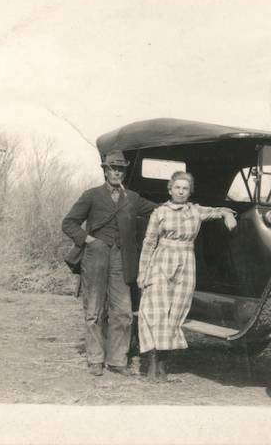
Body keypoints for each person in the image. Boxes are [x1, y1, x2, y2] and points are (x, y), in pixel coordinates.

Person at [62, 150, 157, 377]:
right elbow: (69, 223)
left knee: (123, 311)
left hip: (122, 259)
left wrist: (193, 207)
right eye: (112, 169)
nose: (116, 173)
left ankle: (117, 360)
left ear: (125, 172)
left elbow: (159, 209)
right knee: (93, 309)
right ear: (104, 170)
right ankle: (95, 359)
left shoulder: (132, 198)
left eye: (121, 169)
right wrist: (88, 240)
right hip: (95, 255)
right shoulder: (91, 195)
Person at [137, 171, 237, 382]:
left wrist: (227, 216)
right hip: (162, 261)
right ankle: (151, 368)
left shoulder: (196, 211)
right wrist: (142, 272)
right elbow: (148, 243)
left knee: (175, 314)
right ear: (170, 189)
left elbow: (221, 210)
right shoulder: (160, 212)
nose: (181, 192)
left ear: (189, 191)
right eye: (177, 188)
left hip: (186, 264)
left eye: (185, 188)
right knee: (154, 312)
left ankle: (164, 368)